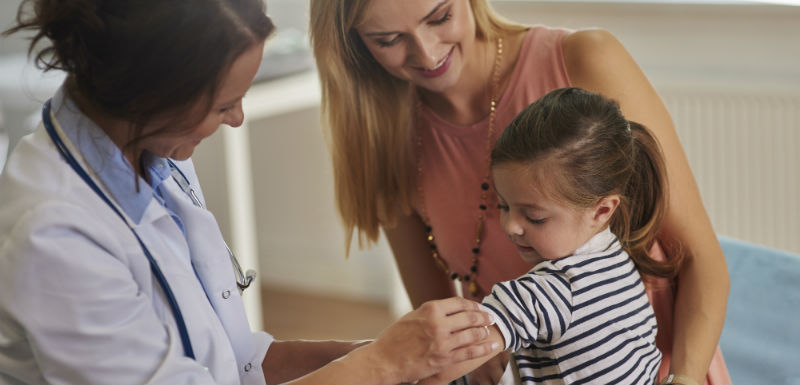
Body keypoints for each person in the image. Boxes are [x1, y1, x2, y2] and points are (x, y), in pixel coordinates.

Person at [0, 1, 498, 384]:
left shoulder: (152, 153)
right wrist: (383, 364)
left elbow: (234, 361)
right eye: (224, 105)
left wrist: (379, 354)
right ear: (151, 94)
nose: (237, 119)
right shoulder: (54, 232)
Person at [309, 0, 731, 384]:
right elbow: (442, 333)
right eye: (388, 40)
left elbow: (700, 259)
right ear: (353, 47)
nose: (426, 51)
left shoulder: (586, 60)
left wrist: (685, 379)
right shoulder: (383, 142)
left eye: (439, 17)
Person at [421, 86, 674, 384]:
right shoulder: (617, 259)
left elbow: (432, 369)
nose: (510, 226)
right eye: (503, 206)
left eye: (534, 217)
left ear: (602, 211)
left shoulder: (546, 292)